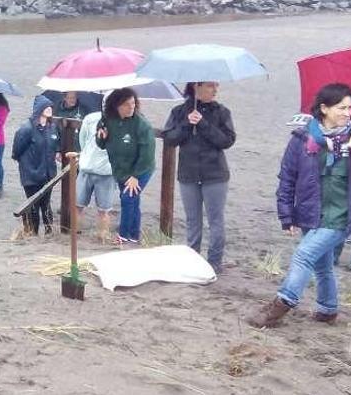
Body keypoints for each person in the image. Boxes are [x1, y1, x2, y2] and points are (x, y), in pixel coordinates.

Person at [248, 83, 351, 328]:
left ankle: (281, 305)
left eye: (350, 108)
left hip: (343, 215)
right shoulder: (302, 138)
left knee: (303, 255)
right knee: (322, 265)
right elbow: (287, 177)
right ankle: (327, 309)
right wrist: (286, 214)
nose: (348, 113)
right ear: (324, 108)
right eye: (341, 108)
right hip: (311, 212)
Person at [162, 82, 236, 273]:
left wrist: (203, 124)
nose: (215, 90)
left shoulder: (222, 112)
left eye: (216, 86)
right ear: (197, 87)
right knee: (192, 220)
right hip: (188, 173)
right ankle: (193, 258)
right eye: (211, 86)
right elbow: (169, 138)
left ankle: (214, 262)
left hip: (215, 174)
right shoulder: (179, 111)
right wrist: (188, 123)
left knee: (215, 220)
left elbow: (227, 140)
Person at [96, 88, 155, 244]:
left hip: (141, 169)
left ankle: (122, 236)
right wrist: (101, 137)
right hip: (121, 169)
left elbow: (147, 153)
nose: (131, 107)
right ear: (117, 105)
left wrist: (136, 176)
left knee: (128, 198)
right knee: (133, 201)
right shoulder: (107, 120)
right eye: (127, 104)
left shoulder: (142, 125)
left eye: (133, 103)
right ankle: (134, 237)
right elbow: (101, 144)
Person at [12, 95, 58, 236]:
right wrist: (29, 165)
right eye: (46, 107)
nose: (50, 109)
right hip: (31, 174)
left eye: (51, 107)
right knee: (33, 206)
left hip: (48, 174)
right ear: (39, 109)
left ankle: (49, 231)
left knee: (46, 204)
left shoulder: (52, 127)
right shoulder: (26, 129)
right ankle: (33, 232)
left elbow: (55, 145)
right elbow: (16, 152)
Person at [75, 110, 118, 243]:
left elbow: (82, 140)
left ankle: (75, 236)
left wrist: (86, 155)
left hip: (87, 166)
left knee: (77, 206)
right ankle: (102, 237)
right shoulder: (121, 122)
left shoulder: (89, 117)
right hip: (106, 170)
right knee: (104, 210)